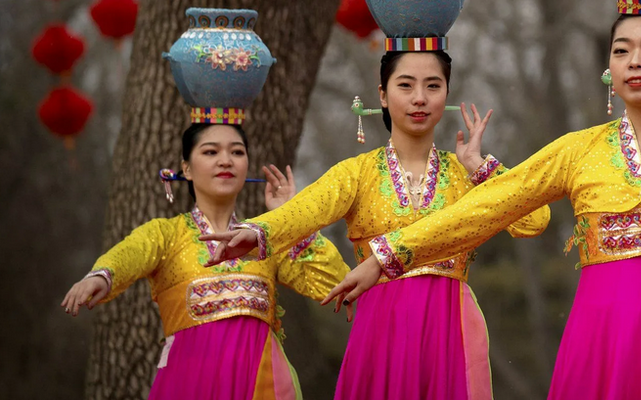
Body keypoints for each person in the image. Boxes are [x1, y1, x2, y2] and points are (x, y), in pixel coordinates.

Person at [306, 12, 641, 400]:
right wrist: (390, 254)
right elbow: (486, 209)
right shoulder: (578, 150)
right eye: (622, 51)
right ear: (609, 68)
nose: (635, 61)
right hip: (600, 329)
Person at [202, 48, 551, 400]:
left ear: (447, 93)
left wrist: (479, 166)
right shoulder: (358, 173)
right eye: (405, 85)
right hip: (383, 327)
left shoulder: (465, 175)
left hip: (451, 326)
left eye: (433, 86)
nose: (419, 98)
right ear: (382, 95)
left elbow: (534, 220)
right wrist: (259, 230)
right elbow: (307, 209)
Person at [62, 120, 348, 400]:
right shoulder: (166, 234)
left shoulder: (264, 238)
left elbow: (334, 284)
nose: (226, 161)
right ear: (186, 168)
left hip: (263, 381)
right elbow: (130, 254)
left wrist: (290, 220)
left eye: (236, 152)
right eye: (211, 152)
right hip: (191, 379)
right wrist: (101, 275)